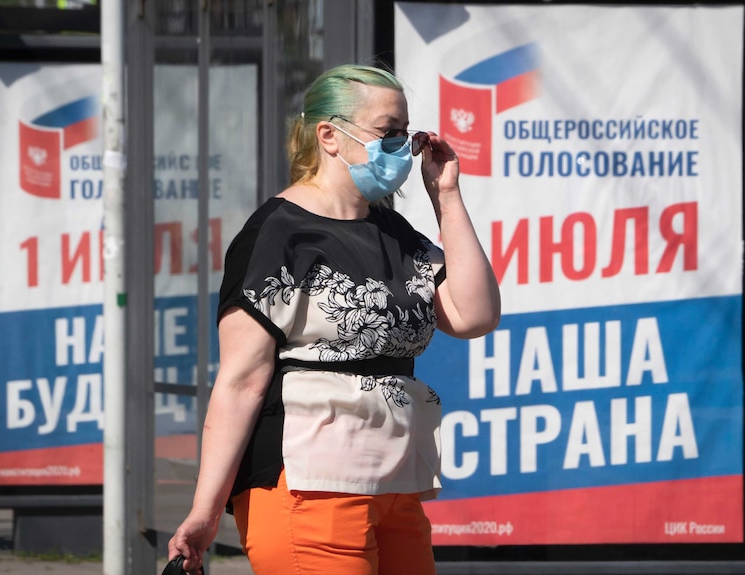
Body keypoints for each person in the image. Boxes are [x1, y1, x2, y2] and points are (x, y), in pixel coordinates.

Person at [168, 63, 501, 575]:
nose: (402, 149)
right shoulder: (278, 235)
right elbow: (240, 382)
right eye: (387, 132)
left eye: (405, 135)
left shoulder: (396, 233)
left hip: (396, 483)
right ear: (329, 135)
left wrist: (447, 197)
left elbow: (474, 314)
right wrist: (205, 510)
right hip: (309, 484)